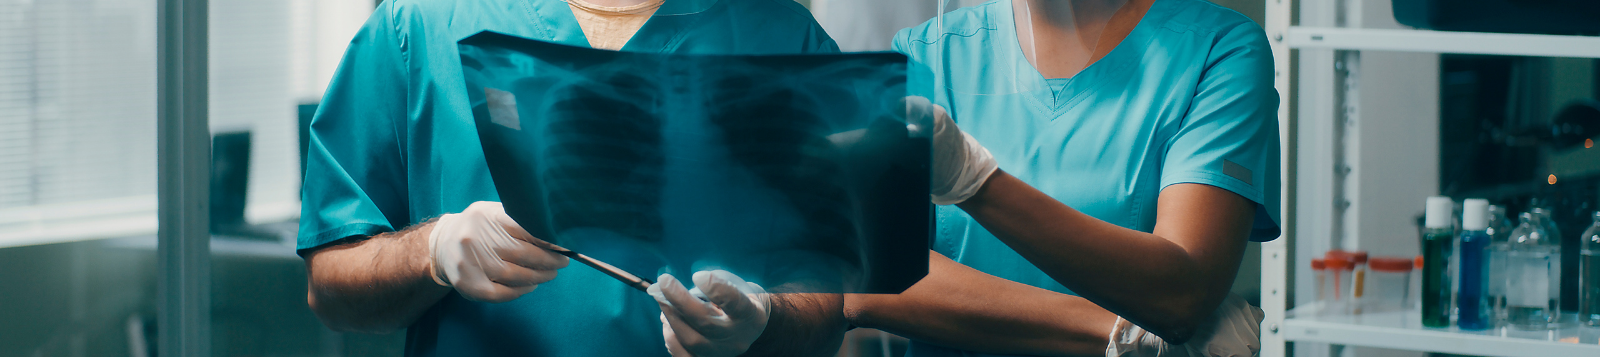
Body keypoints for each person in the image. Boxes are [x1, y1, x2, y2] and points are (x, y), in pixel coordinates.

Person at [297, 0, 848, 356]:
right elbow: (331, 285)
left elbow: (832, 304)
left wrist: (766, 323)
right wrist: (432, 252)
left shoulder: (787, 42)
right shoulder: (416, 26)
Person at [831, 0, 1279, 356]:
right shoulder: (927, 51)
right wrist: (1121, 331)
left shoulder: (1219, 51)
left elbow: (1178, 293)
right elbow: (866, 284)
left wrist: (973, 181)